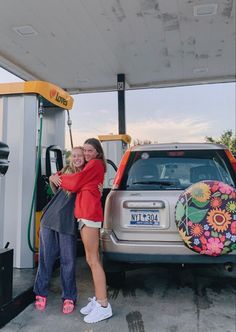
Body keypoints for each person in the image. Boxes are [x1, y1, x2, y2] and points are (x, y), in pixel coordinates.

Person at [53, 138, 112, 324]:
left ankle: (103, 306)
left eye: (89, 151)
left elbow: (76, 182)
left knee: (93, 260)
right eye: (84, 151)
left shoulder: (94, 164)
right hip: (86, 215)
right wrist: (57, 176)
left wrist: (58, 179)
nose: (86, 154)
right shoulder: (91, 166)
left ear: (97, 152)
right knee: (90, 259)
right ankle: (99, 299)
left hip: (89, 216)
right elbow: (79, 178)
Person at [34, 146, 85, 314]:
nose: (77, 158)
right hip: (49, 218)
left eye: (80, 155)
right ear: (71, 158)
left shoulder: (85, 175)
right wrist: (51, 179)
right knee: (46, 259)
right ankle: (41, 293)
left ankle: (69, 297)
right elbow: (56, 191)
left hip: (67, 223)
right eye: (74, 155)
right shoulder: (65, 171)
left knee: (68, 261)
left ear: (85, 158)